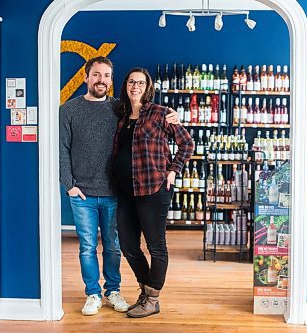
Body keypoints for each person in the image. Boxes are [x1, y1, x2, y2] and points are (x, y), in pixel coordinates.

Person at [59, 57, 179, 316]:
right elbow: (62, 149)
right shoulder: (68, 110)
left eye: (106, 76)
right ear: (86, 77)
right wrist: (68, 184)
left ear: (112, 81)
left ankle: (114, 291)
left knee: (114, 246)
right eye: (96, 75)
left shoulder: (119, 109)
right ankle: (93, 293)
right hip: (82, 193)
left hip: (116, 192)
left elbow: (177, 139)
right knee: (88, 246)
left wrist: (172, 167)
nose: (101, 80)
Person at [112, 67, 194, 318]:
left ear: (148, 88)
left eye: (141, 83)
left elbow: (186, 143)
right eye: (131, 82)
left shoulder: (161, 113)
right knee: (127, 246)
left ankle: (152, 297)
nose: (135, 86)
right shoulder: (122, 116)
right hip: (126, 192)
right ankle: (145, 291)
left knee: (156, 247)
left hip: (154, 189)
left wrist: (173, 171)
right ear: (125, 86)